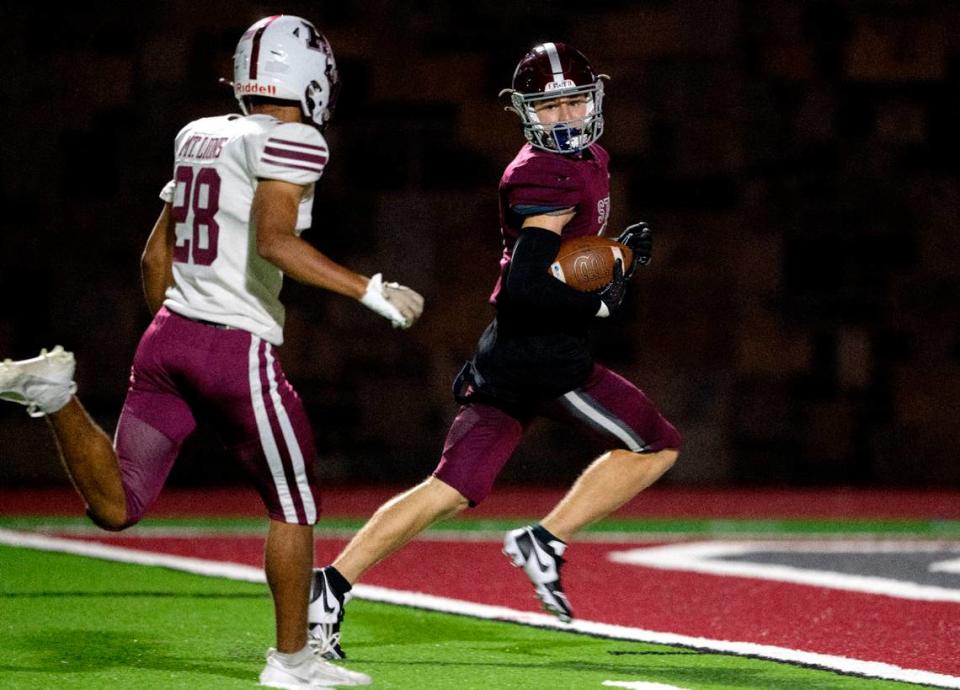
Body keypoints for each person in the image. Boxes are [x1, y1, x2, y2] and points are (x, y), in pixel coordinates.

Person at [0, 15, 424, 689]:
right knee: (294, 503)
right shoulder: (296, 139)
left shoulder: (199, 134)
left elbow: (152, 255)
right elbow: (275, 243)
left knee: (117, 506)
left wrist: (176, 330)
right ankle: (291, 664)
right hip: (234, 348)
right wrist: (367, 289)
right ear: (308, 76)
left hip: (167, 335)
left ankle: (55, 396)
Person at [306, 41, 681, 660]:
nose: (563, 116)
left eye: (573, 101)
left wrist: (608, 257)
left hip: (508, 353)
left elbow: (559, 260)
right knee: (656, 443)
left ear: (594, 99)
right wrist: (605, 293)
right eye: (549, 105)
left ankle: (331, 584)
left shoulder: (585, 159)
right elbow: (530, 287)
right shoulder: (546, 173)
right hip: (544, 354)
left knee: (450, 488)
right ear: (526, 111)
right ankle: (547, 540)